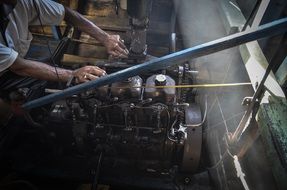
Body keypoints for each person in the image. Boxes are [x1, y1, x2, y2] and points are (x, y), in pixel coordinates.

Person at [0, 0, 129, 96]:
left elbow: (65, 13)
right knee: (37, 93)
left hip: (16, 61)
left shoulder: (21, 3)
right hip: (6, 73)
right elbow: (19, 66)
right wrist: (72, 75)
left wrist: (105, 38)